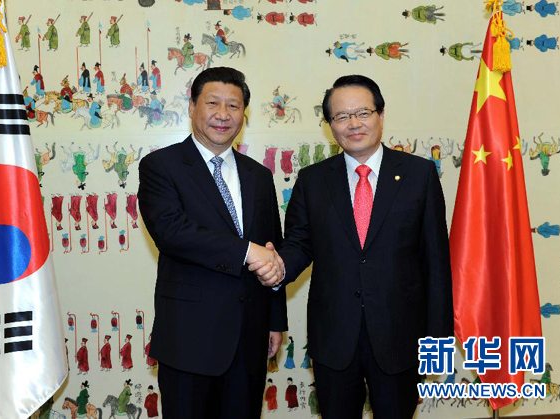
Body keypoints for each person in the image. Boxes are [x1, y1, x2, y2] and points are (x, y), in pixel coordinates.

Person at [251, 75, 453, 418]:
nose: (354, 124)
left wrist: (438, 337)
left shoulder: (419, 174)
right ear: (330, 125)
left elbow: (435, 259)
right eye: (342, 116)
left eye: (363, 113)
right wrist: (277, 266)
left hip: (400, 336)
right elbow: (299, 244)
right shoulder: (312, 180)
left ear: (381, 115)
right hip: (334, 336)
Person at [138, 66, 287, 419]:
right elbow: (172, 232)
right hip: (189, 338)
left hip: (249, 337)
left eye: (233, 106)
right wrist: (246, 251)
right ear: (192, 107)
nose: (223, 114)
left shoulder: (259, 175)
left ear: (243, 114)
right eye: (213, 103)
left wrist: (275, 320)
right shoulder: (161, 165)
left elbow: (272, 249)